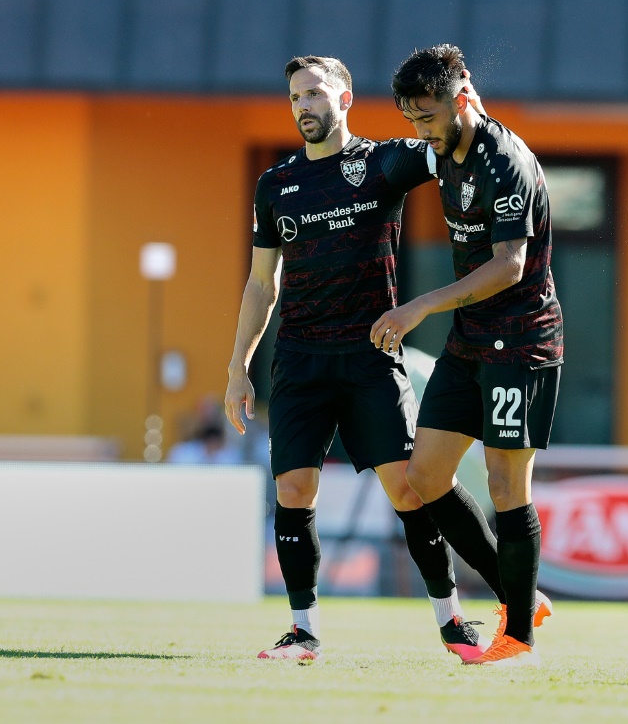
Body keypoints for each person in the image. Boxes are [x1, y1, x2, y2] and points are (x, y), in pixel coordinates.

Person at [224, 55, 490, 662]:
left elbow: (453, 140)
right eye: (295, 96)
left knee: (407, 488)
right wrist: (238, 364)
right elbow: (262, 283)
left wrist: (468, 111)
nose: (303, 106)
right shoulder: (275, 185)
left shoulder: (383, 162)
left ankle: (452, 621)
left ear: (345, 99)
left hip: (371, 355)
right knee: (294, 489)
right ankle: (304, 630)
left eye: (315, 93)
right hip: (299, 359)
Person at [371, 44, 563, 667]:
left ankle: (519, 637)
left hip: (522, 339)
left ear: (459, 99)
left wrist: (419, 305)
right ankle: (522, 596)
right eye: (412, 120)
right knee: (424, 477)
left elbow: (508, 267)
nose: (420, 131)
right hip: (471, 341)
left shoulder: (505, 160)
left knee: (509, 483)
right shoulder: (443, 147)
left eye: (427, 118)